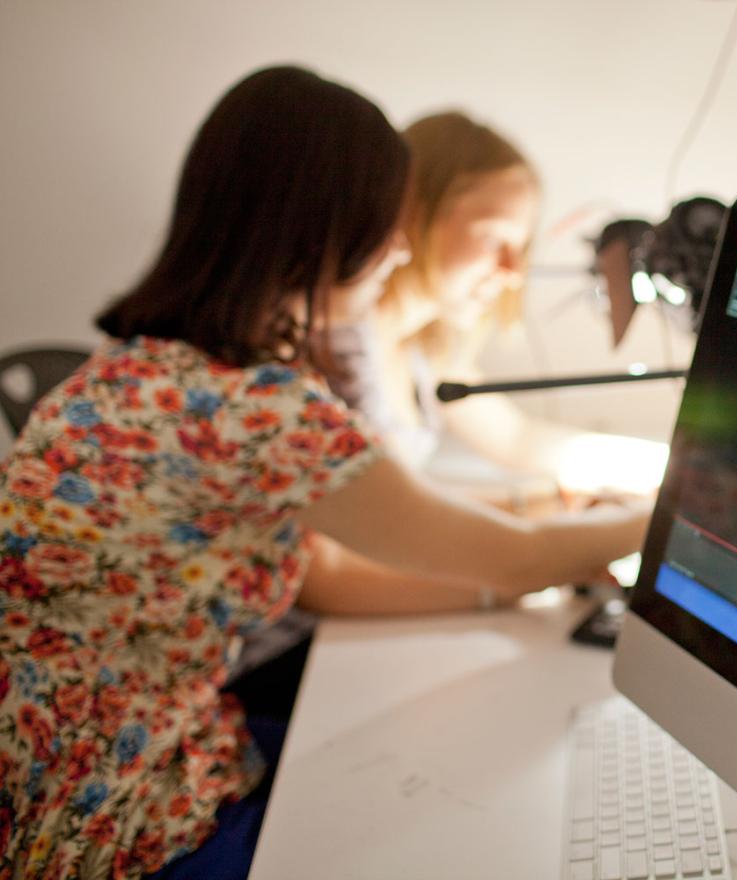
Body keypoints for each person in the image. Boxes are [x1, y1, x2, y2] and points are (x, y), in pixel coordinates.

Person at [0, 66, 647, 880]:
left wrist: (551, 531)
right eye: (388, 224)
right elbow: (508, 558)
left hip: (46, 778)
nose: (401, 248)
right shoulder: (263, 411)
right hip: (109, 823)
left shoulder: (132, 370)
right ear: (323, 234)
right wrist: (680, 511)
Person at [325, 111, 667, 496]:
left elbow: (517, 438)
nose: (512, 272)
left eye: (519, 249)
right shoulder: (336, 355)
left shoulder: (424, 353)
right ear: (414, 213)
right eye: (493, 239)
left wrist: (668, 472)